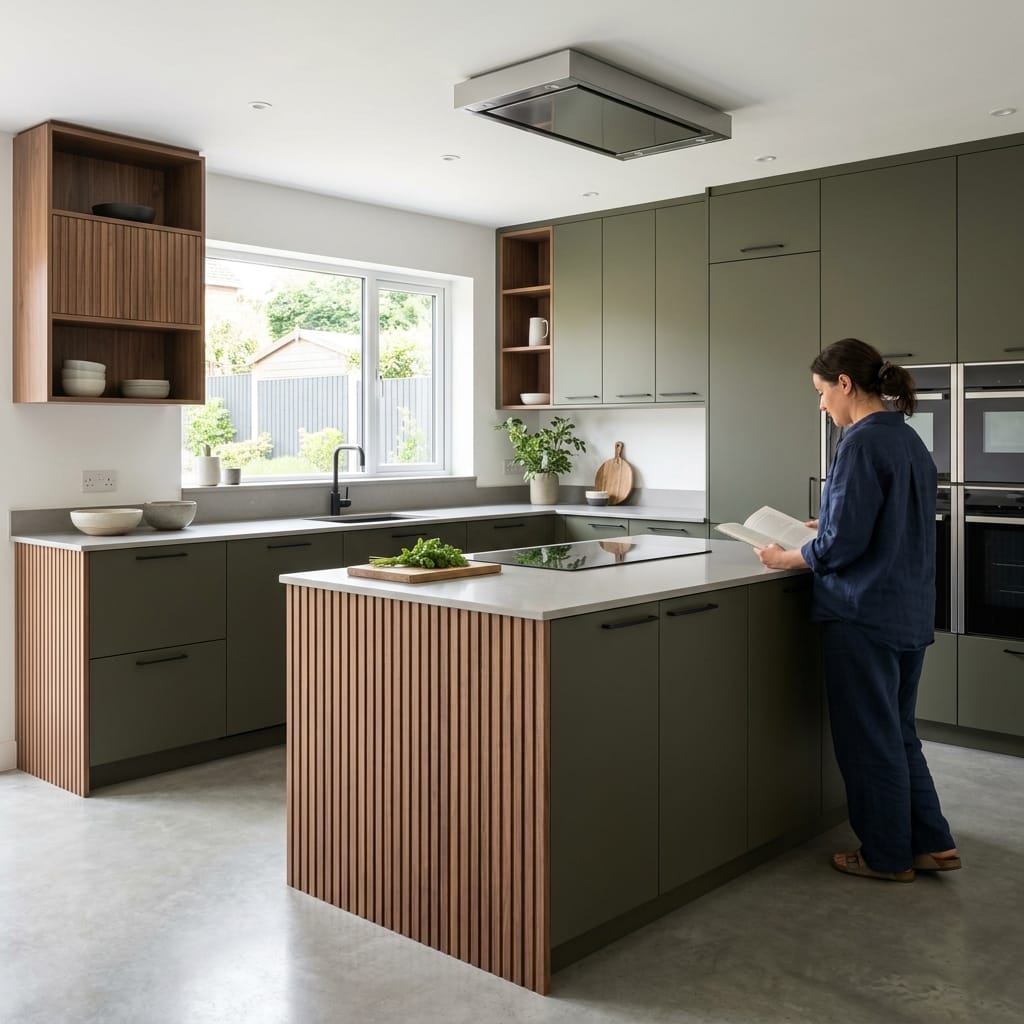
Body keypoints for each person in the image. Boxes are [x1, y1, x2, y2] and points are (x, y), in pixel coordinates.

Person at [754, 338, 959, 882]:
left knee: (869, 741)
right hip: (908, 611)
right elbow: (884, 522)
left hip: (862, 614)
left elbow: (841, 548)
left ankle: (888, 856)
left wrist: (786, 556)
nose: (821, 405)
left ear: (845, 384)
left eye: (822, 392)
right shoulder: (907, 439)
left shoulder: (860, 442)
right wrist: (827, 526)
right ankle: (932, 842)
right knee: (897, 731)